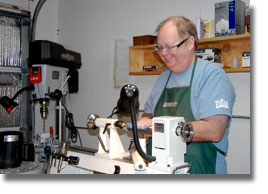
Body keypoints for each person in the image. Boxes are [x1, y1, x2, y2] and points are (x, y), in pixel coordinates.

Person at [138, 16, 236, 174]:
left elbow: (214, 129)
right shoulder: (163, 78)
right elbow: (148, 117)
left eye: (170, 47)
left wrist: (162, 128)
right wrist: (143, 124)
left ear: (190, 43)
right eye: (159, 47)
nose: (163, 54)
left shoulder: (212, 75)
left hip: (200, 170)